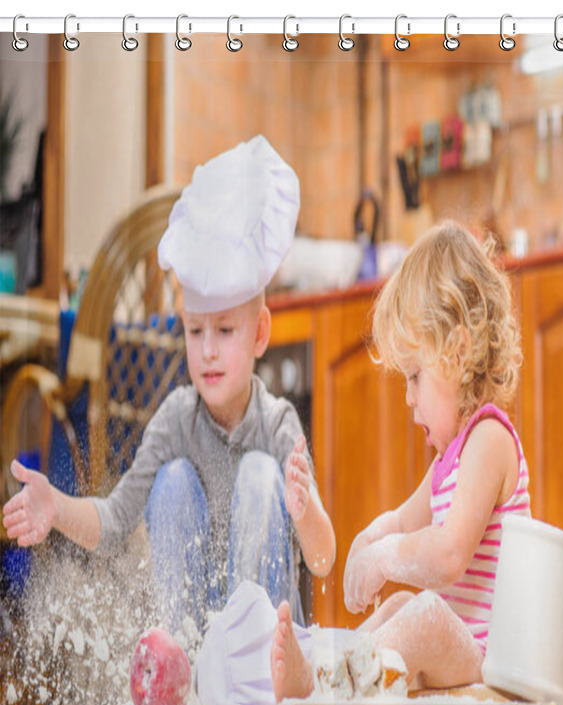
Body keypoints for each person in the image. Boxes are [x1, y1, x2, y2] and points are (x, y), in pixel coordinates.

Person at [1, 136, 335, 637]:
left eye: (225, 330)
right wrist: (56, 507)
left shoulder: (277, 423)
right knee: (172, 479)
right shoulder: (177, 418)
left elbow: (325, 558)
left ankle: (252, 658)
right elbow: (114, 522)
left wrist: (304, 512)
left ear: (260, 333)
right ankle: (186, 661)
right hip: (197, 651)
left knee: (261, 475)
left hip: (269, 660)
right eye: (195, 330)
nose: (207, 350)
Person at [195, 220, 532, 705]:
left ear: (459, 351)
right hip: (458, 652)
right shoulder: (449, 459)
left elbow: (448, 554)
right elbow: (402, 520)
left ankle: (326, 686)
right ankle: (324, 672)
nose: (409, 399)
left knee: (425, 614)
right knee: (401, 608)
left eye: (415, 376)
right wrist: (367, 543)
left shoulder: (490, 440)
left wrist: (386, 558)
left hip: (491, 659)